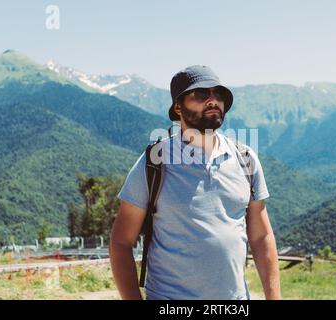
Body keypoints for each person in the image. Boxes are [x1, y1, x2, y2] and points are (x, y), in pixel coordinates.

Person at [110, 65, 281, 300]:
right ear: (178, 107)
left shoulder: (246, 159)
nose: (212, 100)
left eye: (218, 94)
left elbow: (262, 237)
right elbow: (121, 241)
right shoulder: (154, 163)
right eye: (201, 94)